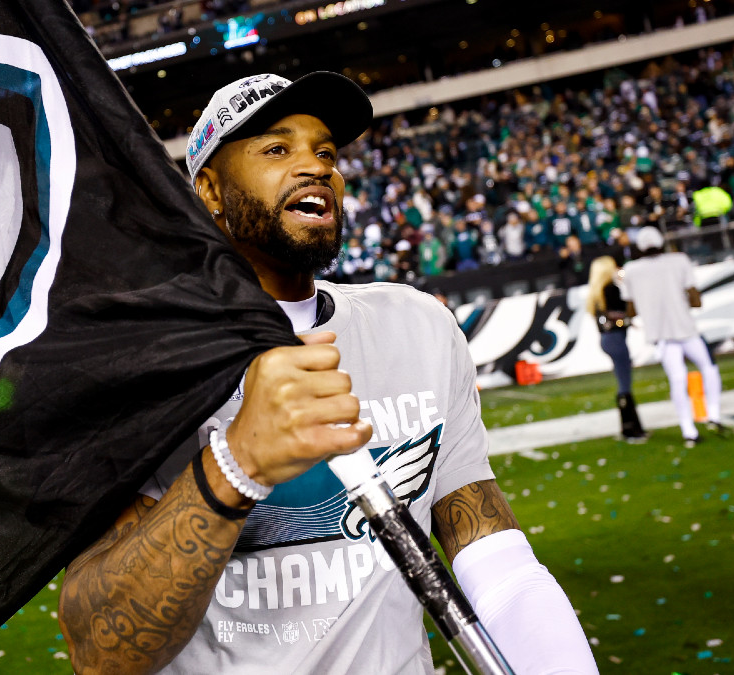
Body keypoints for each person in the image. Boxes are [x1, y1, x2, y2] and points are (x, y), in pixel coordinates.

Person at [59, 72, 596, 675]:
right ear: (207, 189)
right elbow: (102, 646)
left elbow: (492, 555)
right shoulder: (140, 358)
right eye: (276, 148)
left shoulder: (418, 326)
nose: (316, 167)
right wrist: (237, 462)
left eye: (326, 152)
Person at [621, 226, 724, 447]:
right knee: (709, 367)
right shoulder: (679, 261)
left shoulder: (631, 270)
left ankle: (689, 430)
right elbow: (696, 300)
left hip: (661, 335)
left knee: (678, 380)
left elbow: (631, 310)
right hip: (686, 329)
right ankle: (714, 414)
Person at [586, 256, 646, 442]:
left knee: (624, 382)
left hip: (608, 339)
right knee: (624, 384)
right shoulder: (610, 289)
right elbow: (623, 313)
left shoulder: (596, 293)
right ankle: (631, 429)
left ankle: (633, 427)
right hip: (615, 339)